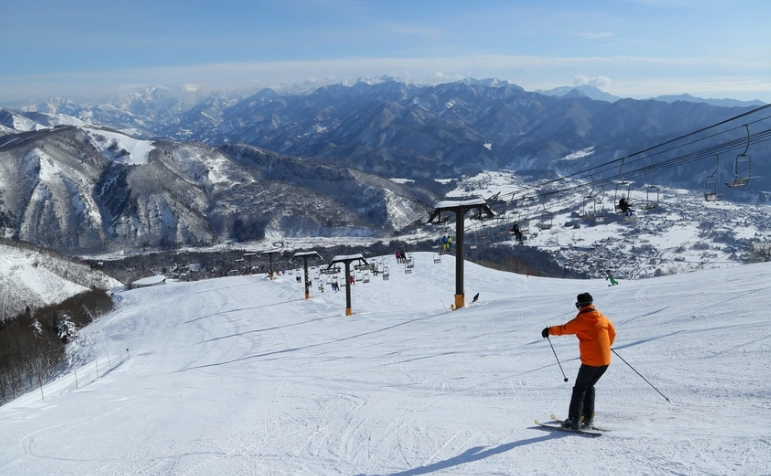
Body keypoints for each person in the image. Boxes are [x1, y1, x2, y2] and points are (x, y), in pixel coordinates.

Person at [541, 293, 616, 430]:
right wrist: (605, 346)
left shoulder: (581, 320)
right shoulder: (602, 318)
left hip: (591, 361)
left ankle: (574, 420)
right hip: (605, 360)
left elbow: (564, 329)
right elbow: (612, 332)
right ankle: (587, 417)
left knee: (580, 389)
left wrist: (549, 330)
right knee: (589, 386)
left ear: (579, 306)